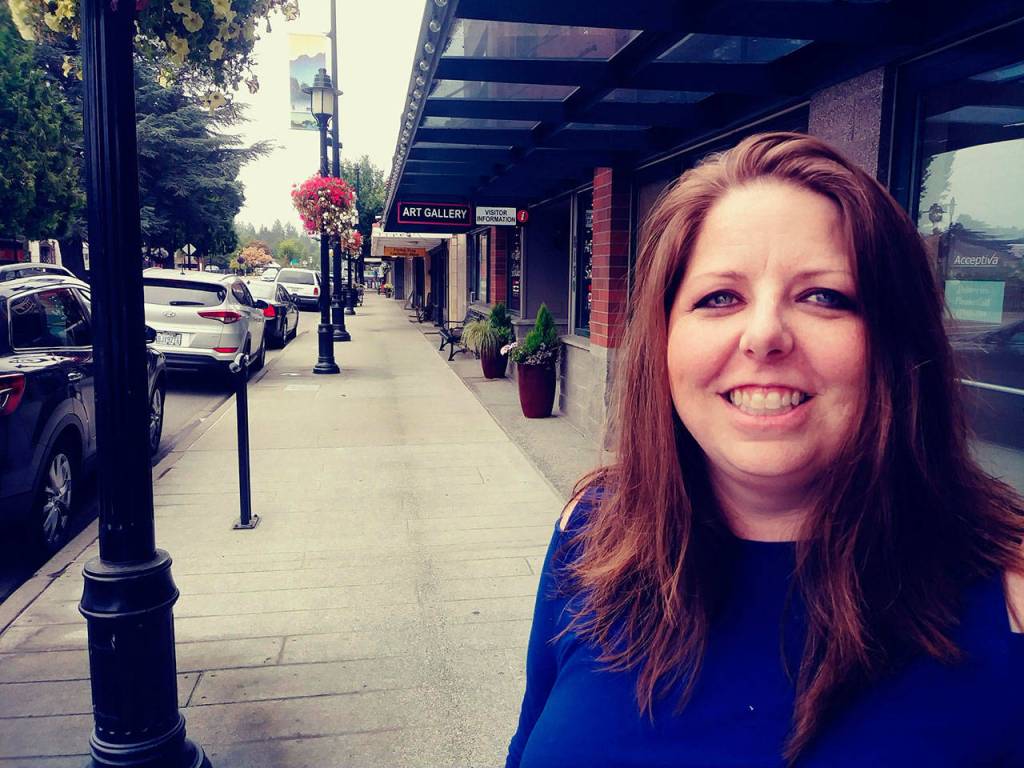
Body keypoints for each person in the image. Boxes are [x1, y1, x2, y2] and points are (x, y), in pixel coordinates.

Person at [505, 132, 1024, 767]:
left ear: (896, 343)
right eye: (719, 297)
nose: (764, 335)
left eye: (823, 296)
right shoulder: (594, 531)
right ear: (664, 340)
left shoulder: (1010, 596)